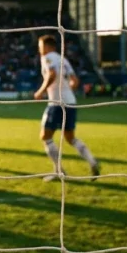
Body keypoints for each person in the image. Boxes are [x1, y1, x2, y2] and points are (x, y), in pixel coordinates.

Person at [34, 35, 100, 180]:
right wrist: (66, 88)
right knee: (70, 138)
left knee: (45, 136)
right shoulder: (63, 59)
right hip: (70, 102)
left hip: (57, 103)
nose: (39, 50)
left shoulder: (48, 58)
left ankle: (59, 172)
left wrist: (41, 91)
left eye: (40, 46)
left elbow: (52, 74)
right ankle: (92, 160)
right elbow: (75, 81)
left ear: (48, 46)